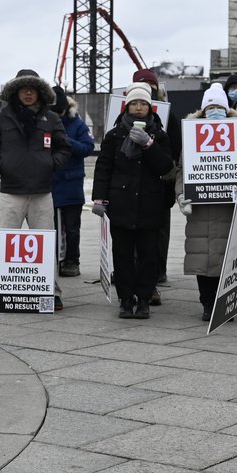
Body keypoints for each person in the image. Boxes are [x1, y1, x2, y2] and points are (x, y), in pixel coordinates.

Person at [0, 68, 71, 310]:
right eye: (23, 89)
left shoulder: (51, 118)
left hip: (42, 192)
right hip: (10, 192)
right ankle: (3, 291)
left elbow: (64, 148)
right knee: (5, 244)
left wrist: (50, 164)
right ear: (15, 92)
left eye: (32, 89)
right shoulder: (1, 118)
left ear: (40, 92)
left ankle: (51, 291)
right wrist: (2, 167)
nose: (28, 94)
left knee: (46, 245)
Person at [92, 84, 174, 318]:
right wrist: (99, 198)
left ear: (150, 107)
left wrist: (149, 145)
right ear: (126, 107)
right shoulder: (114, 135)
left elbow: (165, 166)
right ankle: (126, 299)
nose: (138, 108)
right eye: (134, 103)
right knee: (123, 255)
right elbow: (103, 167)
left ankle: (144, 299)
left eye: (143, 103)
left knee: (149, 256)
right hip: (121, 203)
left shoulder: (159, 134)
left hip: (150, 204)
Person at [178, 84, 237, 322]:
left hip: (228, 209)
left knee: (228, 259)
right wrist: (181, 195)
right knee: (202, 259)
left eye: (219, 107)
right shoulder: (191, 135)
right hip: (200, 209)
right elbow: (182, 170)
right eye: (210, 107)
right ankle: (207, 303)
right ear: (203, 111)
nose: (214, 111)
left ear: (226, 110)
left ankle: (224, 302)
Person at [132, 67, 178, 303]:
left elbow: (176, 148)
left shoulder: (169, 115)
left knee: (159, 232)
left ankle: (158, 271)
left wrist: (170, 174)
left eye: (150, 87)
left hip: (160, 182)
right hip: (132, 185)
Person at [52, 86, 94, 278]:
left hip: (71, 185)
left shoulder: (77, 124)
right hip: (49, 183)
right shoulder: (42, 123)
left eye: (60, 112)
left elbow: (87, 148)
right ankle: (51, 260)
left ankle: (72, 261)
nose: (57, 116)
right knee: (49, 228)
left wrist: (66, 140)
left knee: (72, 228)